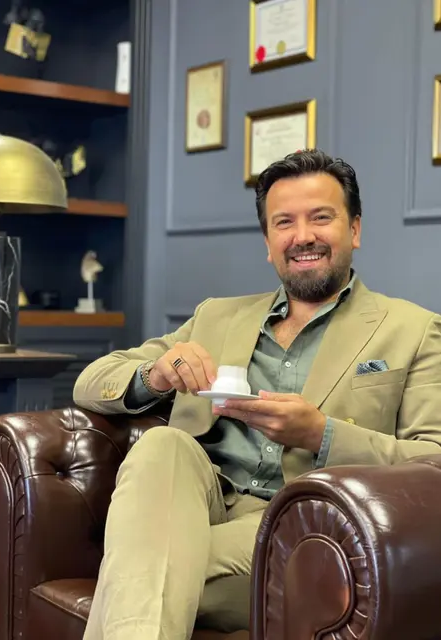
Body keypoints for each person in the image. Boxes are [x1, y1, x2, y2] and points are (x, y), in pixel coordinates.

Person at [73, 149, 441, 640]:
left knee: (137, 568)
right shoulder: (217, 317)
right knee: (163, 445)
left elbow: (433, 461)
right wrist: (156, 375)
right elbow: (91, 380)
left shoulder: (413, 330)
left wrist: (322, 435)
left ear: (354, 229)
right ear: (268, 243)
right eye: (284, 222)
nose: (302, 236)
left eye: (321, 217)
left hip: (304, 527)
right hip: (196, 503)